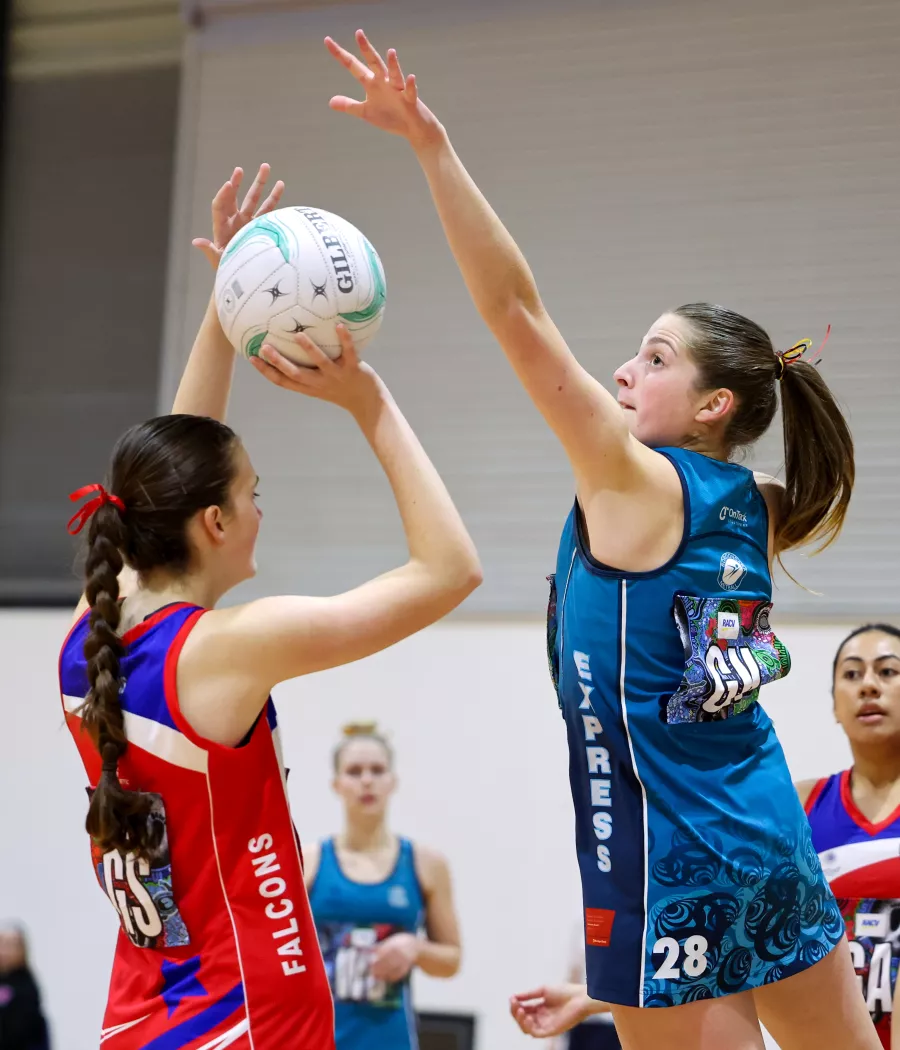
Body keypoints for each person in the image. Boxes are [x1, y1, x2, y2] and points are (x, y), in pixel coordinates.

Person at [323, 30, 877, 1050]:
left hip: (669, 867)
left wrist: (431, 145)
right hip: (765, 840)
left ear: (713, 404)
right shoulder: (754, 501)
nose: (624, 371)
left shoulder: (635, 481)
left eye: (654, 358)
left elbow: (514, 310)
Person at [58, 164, 481, 1050]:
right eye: (256, 494)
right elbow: (450, 570)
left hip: (142, 1017)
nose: (262, 510)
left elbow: (170, 472)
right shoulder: (233, 646)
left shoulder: (92, 629)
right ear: (214, 523)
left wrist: (232, 303)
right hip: (249, 1018)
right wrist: (370, 402)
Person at [305, 723, 461, 1049]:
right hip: (318, 1038)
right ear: (336, 784)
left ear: (392, 781)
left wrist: (415, 948)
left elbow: (452, 959)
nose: (366, 780)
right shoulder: (308, 862)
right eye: (354, 771)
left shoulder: (425, 863)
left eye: (377, 770)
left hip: (391, 1039)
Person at [797, 624, 900, 1050]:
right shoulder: (799, 807)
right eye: (852, 674)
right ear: (835, 705)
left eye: (888, 671)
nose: (868, 686)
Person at [0, 925, 51, 1050]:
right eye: (2, 945)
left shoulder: (27, 987)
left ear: (22, 950)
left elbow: (21, 1030)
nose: (5, 951)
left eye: (10, 945)